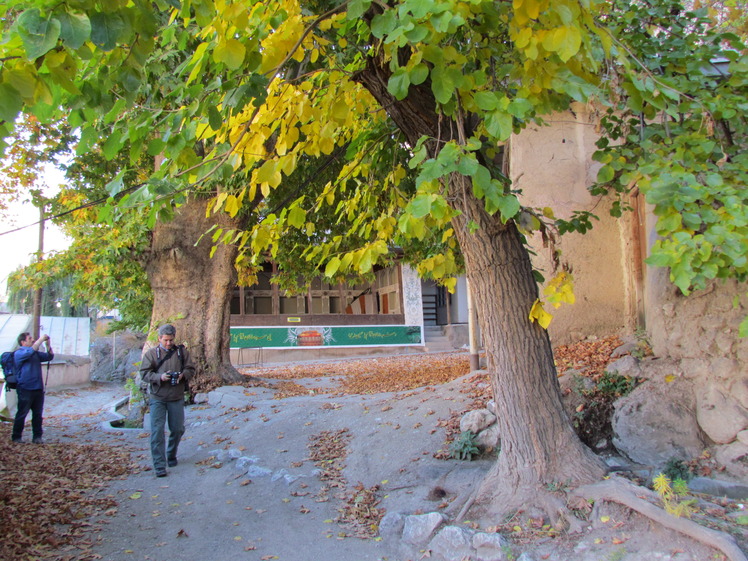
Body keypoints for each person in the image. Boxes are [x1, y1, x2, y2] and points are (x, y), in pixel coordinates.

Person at [140, 324, 195, 477]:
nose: (168, 343)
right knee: (157, 432)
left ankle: (171, 454)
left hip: (176, 397)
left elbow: (191, 369)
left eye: (171, 340)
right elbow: (144, 373)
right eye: (165, 340)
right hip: (158, 397)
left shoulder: (181, 353)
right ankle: (159, 465)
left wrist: (183, 375)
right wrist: (159, 377)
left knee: (177, 429)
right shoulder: (151, 354)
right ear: (159, 338)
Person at [12, 332, 54, 444]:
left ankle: (37, 437)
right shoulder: (19, 353)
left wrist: (48, 345)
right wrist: (40, 340)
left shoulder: (35, 353)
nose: (33, 340)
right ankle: (16, 437)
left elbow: (49, 356)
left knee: (37, 414)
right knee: (22, 413)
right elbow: (30, 351)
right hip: (25, 388)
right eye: (30, 338)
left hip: (38, 389)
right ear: (23, 342)